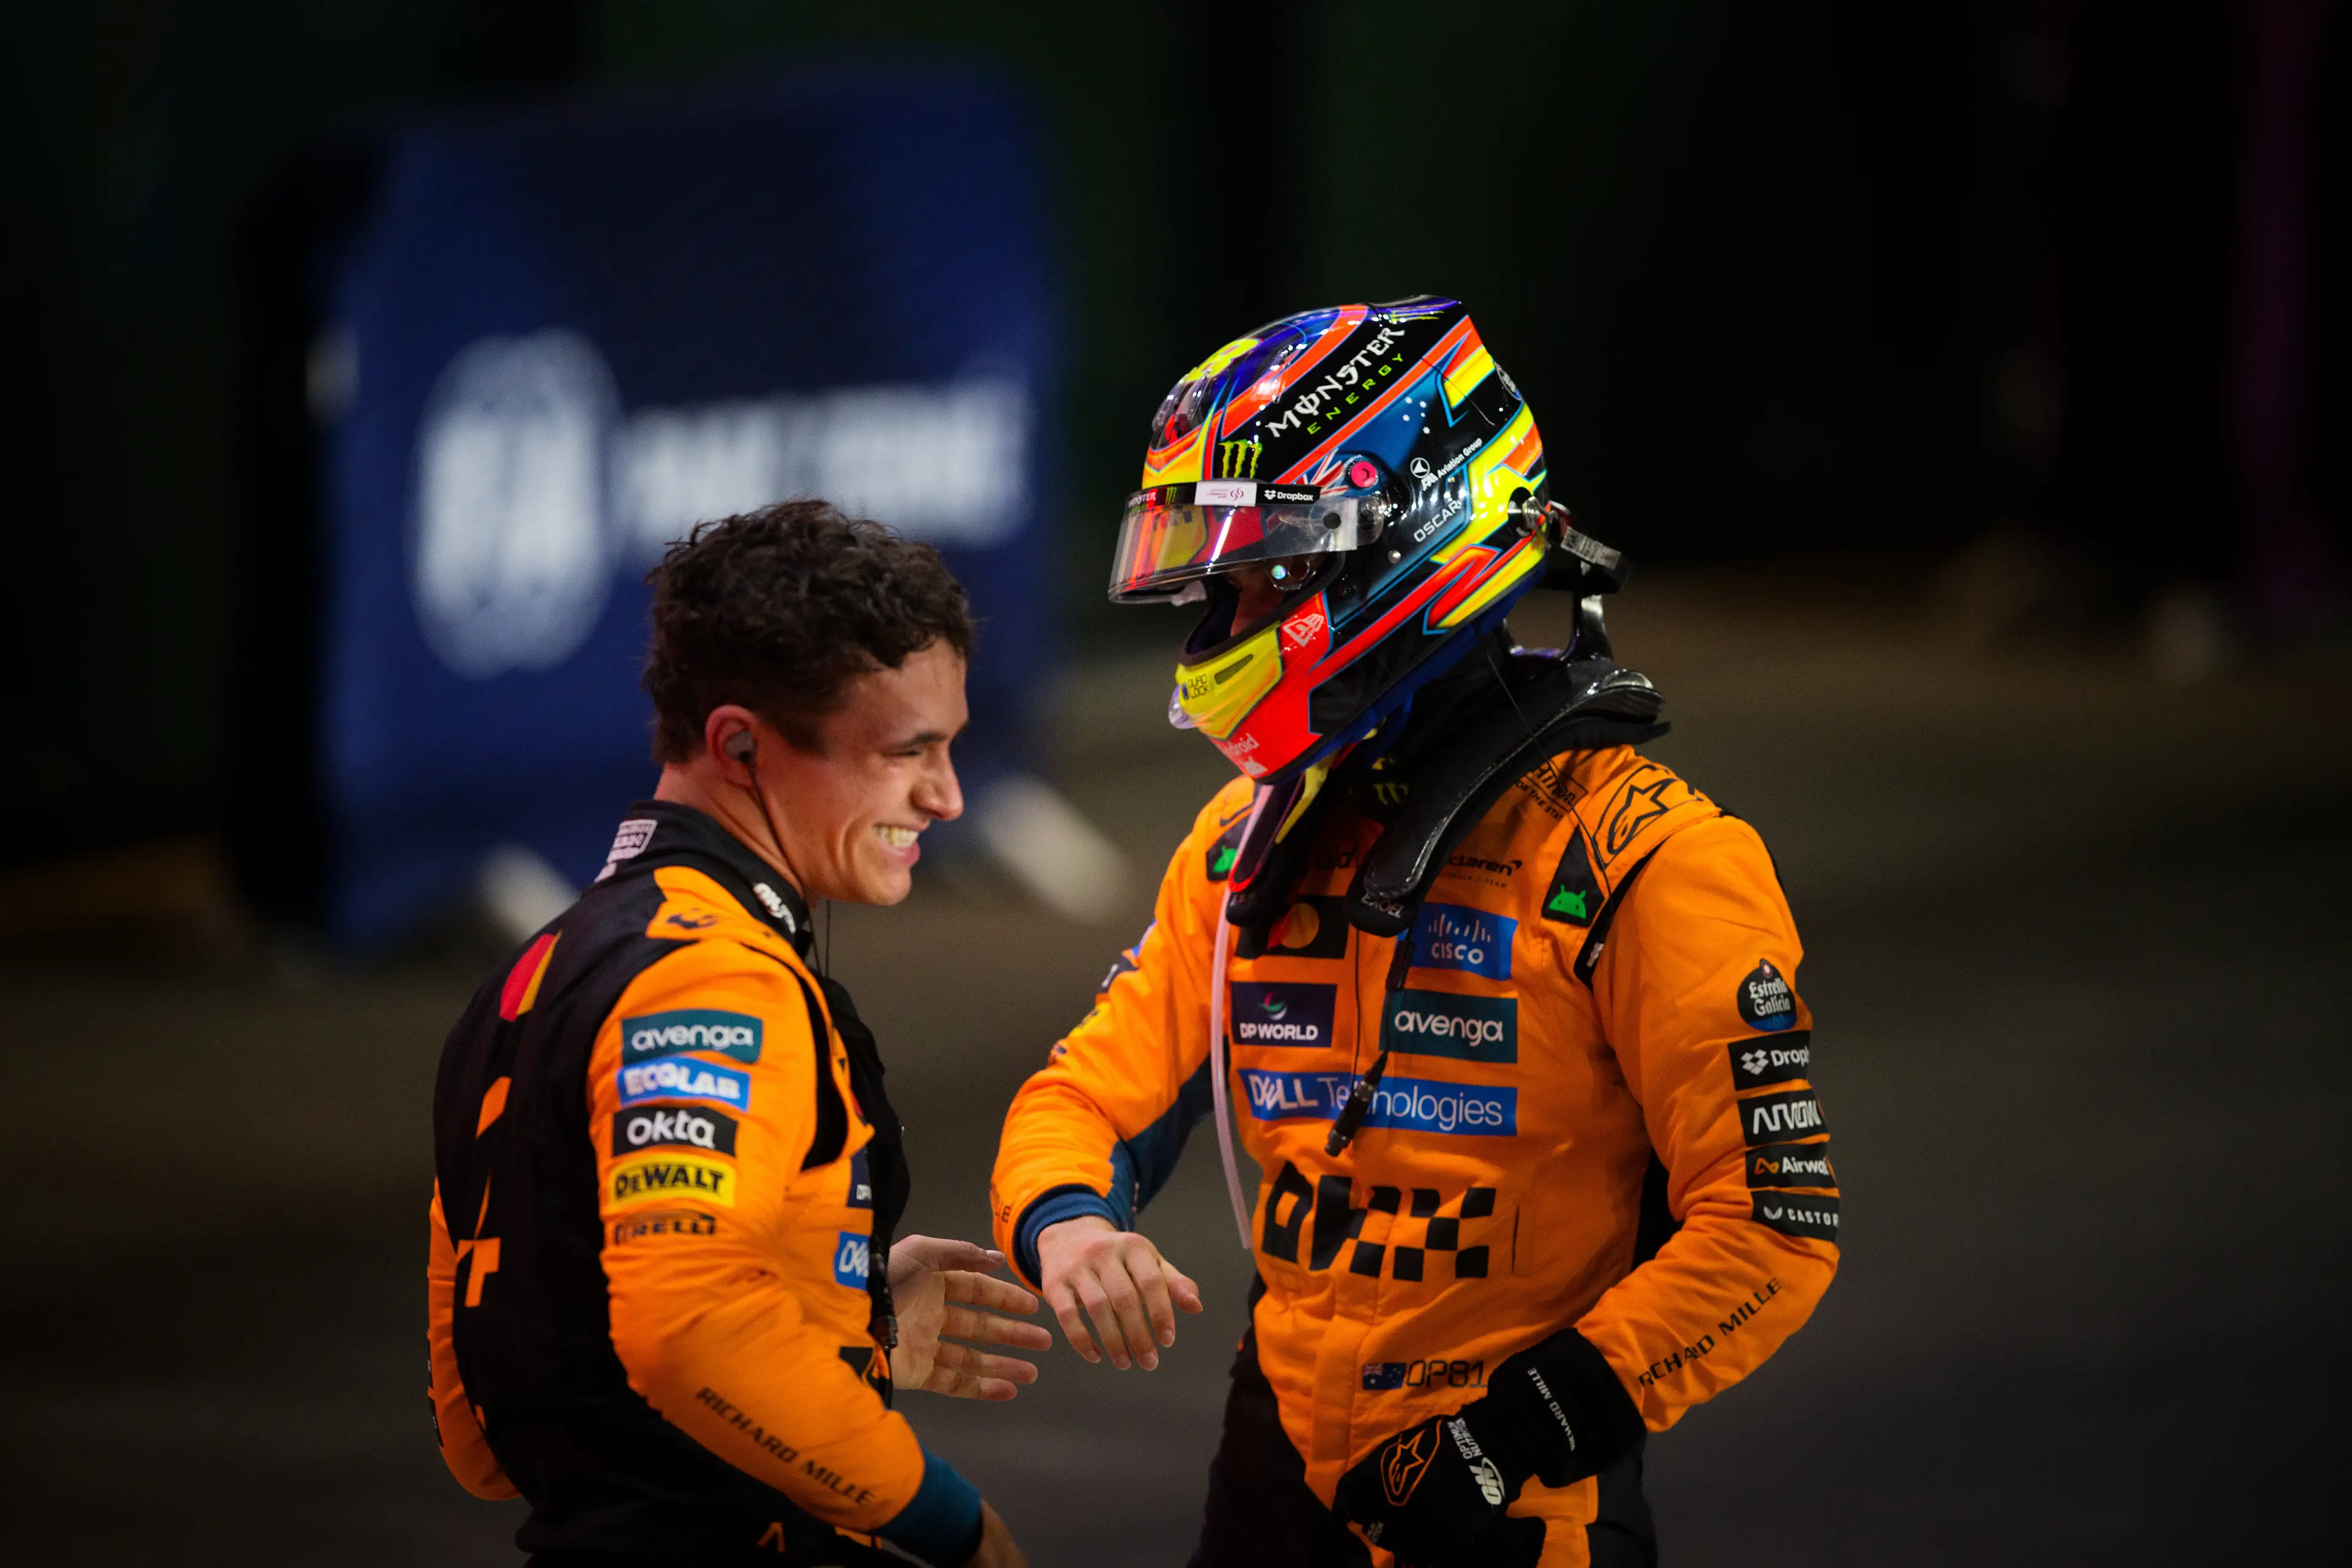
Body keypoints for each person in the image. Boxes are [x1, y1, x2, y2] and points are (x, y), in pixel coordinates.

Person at [989, 298, 1841, 1567]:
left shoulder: (1647, 857)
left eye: (1259, 572)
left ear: (1405, 539)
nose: (1219, 623)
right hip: (1273, 1463)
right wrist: (1069, 1224)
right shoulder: (1240, 846)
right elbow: (1082, 1096)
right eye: (1212, 583)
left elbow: (1771, 1220)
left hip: (1513, 1494)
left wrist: (1515, 1433)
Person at [429, 502, 1049, 1567]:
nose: (945, 797)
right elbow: (691, 1329)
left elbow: (479, 1427)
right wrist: (948, 1522)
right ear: (740, 745)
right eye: (908, 752)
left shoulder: (538, 969)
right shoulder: (713, 979)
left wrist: (841, 1312)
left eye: (950, 747)